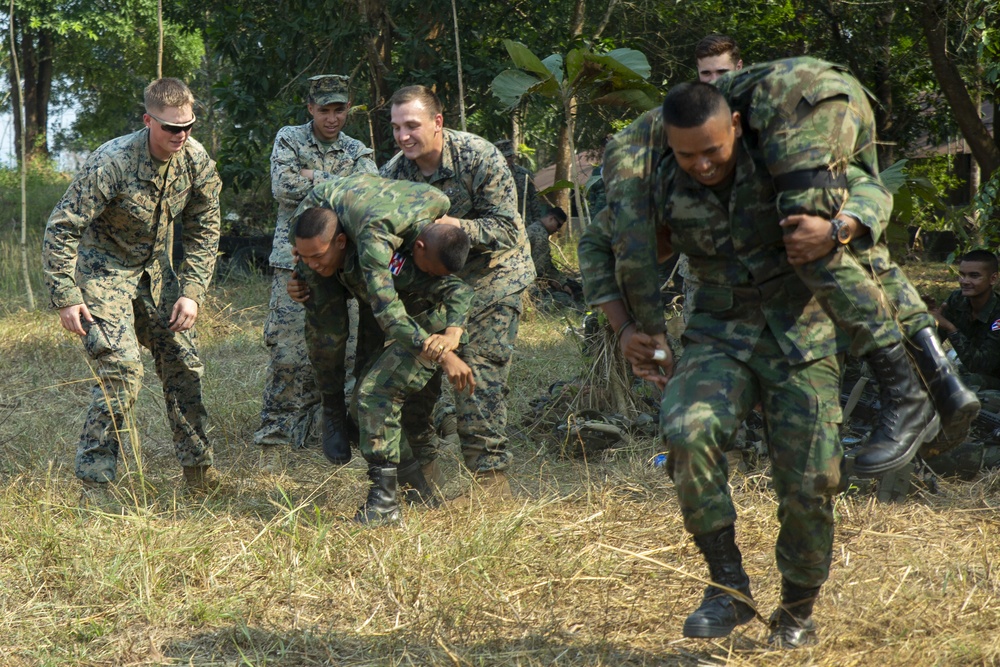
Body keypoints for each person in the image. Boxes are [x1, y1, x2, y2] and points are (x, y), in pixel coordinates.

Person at [42, 77, 222, 496]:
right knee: (121, 369)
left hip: (155, 271)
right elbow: (62, 227)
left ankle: (199, 472)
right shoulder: (113, 162)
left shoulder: (196, 160)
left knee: (184, 360)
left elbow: (205, 227)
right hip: (104, 269)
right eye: (171, 128)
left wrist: (191, 291)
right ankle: (95, 483)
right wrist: (66, 296)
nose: (181, 136)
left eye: (188, 126)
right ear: (148, 121)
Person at [380, 85, 535, 501]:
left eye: (412, 125)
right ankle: (422, 476)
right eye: (396, 127)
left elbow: (506, 229)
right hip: (431, 285)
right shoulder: (394, 174)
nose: (403, 136)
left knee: (475, 373)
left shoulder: (478, 156)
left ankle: (490, 484)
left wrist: (452, 227)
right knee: (415, 376)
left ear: (437, 122)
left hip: (493, 276)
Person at [289, 205, 476, 525]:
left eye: (316, 256)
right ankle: (420, 495)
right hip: (398, 335)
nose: (311, 264)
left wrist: (451, 339)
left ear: (341, 242)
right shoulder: (341, 259)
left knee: (374, 398)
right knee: (371, 410)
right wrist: (299, 280)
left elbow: (457, 289)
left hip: (431, 332)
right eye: (303, 258)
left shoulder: (389, 260)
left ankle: (386, 506)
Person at [286, 174, 460, 468]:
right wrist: (303, 272)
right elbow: (388, 312)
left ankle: (359, 404)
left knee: (371, 305)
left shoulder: (437, 203)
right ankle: (332, 409)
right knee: (329, 329)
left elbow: (381, 303)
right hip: (317, 219)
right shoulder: (372, 239)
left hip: (364, 219)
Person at [254, 74, 377, 467]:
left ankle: (336, 427)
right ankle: (275, 435)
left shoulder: (359, 148)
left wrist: (314, 178)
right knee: (288, 350)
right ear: (310, 109)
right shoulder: (289, 138)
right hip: (293, 261)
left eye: (339, 110)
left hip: (345, 261)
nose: (331, 118)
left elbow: (370, 194)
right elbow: (283, 187)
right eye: (324, 110)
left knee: (346, 350)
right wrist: (341, 183)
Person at [931, 249, 1000, 391]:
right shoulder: (957, 299)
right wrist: (926, 322)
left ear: (993, 279)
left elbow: (980, 365)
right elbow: (932, 345)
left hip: (994, 377)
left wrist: (950, 328)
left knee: (956, 383)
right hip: (973, 372)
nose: (965, 281)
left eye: (974, 276)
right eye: (962, 275)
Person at [495, 139, 544, 227]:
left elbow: (534, 198)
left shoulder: (524, 174)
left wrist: (536, 222)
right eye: (506, 157)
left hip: (524, 222)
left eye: (510, 156)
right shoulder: (492, 176)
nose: (509, 159)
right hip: (501, 224)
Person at [527, 206, 567, 280]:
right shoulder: (540, 234)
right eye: (558, 225)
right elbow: (540, 268)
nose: (558, 229)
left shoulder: (535, 227)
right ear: (551, 218)